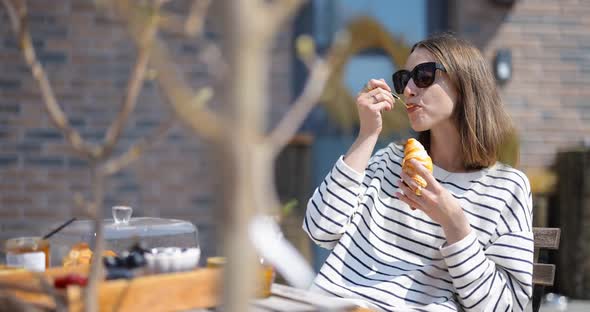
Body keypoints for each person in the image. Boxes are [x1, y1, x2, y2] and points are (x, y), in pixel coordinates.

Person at [303, 33, 533, 311]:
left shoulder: (506, 187)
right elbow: (321, 230)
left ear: (465, 84)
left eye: (423, 76)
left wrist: (455, 225)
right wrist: (367, 135)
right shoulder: (390, 161)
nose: (408, 89)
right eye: (403, 79)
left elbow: (508, 307)